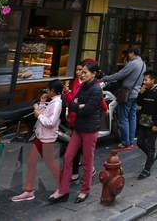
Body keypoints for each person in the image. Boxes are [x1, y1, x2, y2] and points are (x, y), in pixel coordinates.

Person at [51, 62, 103, 205]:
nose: (82, 74)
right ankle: (63, 190)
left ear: (94, 74)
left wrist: (78, 105)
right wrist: (78, 105)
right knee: (68, 157)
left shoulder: (96, 89)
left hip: (90, 129)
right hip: (78, 127)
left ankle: (85, 190)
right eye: (81, 72)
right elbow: (73, 104)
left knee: (87, 161)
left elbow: (87, 110)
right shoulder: (84, 86)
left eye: (85, 72)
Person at [12, 79, 64, 202]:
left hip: (47, 138)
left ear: (53, 91)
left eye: (48, 89)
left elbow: (50, 122)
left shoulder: (57, 103)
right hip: (41, 136)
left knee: (50, 163)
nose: (47, 91)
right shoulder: (52, 101)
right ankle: (29, 190)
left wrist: (39, 115)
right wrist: (42, 102)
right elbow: (43, 114)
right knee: (31, 161)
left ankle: (62, 187)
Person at [102, 47, 146, 150]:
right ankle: (130, 140)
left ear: (132, 53)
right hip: (136, 93)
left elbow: (120, 75)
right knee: (132, 117)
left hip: (127, 94)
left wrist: (105, 78)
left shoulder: (133, 63)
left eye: (129, 54)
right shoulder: (143, 64)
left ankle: (125, 142)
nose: (128, 56)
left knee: (124, 118)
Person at [135, 70, 157, 179]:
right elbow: (139, 103)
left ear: (152, 80)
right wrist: (140, 93)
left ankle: (147, 169)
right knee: (140, 142)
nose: (144, 82)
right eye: (144, 80)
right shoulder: (145, 90)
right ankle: (153, 156)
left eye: (146, 80)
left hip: (152, 123)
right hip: (143, 121)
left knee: (150, 146)